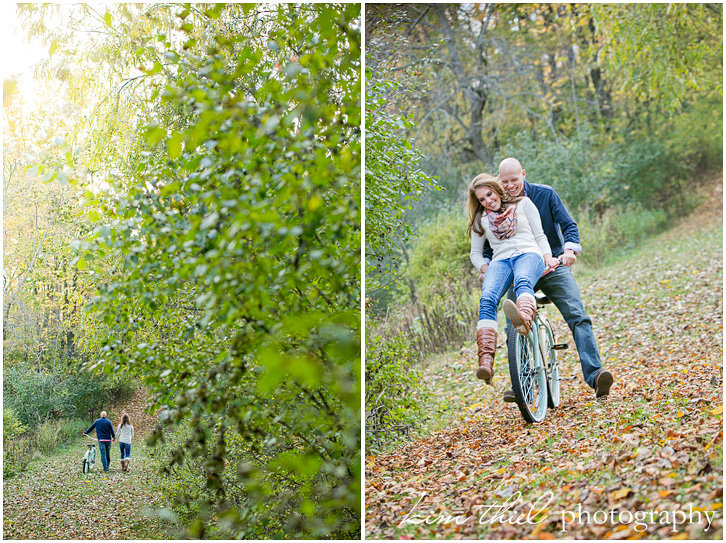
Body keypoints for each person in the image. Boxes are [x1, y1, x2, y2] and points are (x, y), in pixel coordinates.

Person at [485, 157, 614, 399]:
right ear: (498, 181)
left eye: (514, 179)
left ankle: (596, 375)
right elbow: (486, 244)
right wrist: (485, 265)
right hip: (517, 270)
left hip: (552, 265)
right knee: (513, 324)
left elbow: (568, 225)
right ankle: (521, 382)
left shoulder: (545, 194)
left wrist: (569, 251)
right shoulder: (495, 205)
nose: (511, 185)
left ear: (523, 174)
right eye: (505, 182)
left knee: (577, 315)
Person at [468, 173, 559, 384]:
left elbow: (540, 235)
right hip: (500, 261)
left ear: (496, 189)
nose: (488, 201)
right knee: (487, 298)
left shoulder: (523, 204)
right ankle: (486, 363)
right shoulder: (481, 220)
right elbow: (475, 253)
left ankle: (524, 320)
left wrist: (548, 256)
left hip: (529, 254)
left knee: (523, 282)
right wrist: (485, 268)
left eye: (489, 194)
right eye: (482, 199)